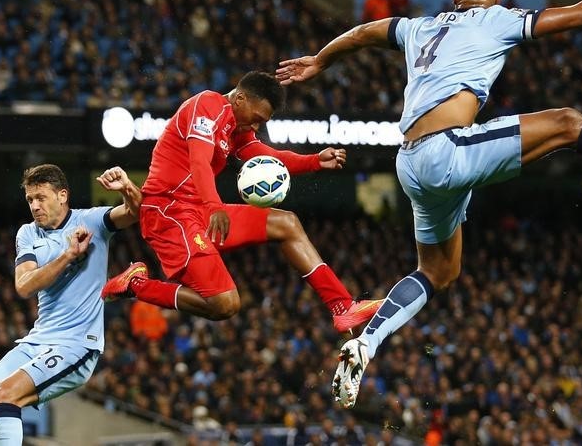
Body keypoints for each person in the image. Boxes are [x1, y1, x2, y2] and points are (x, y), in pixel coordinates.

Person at [276, 0, 582, 408]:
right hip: (447, 150)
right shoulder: (496, 20)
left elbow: (361, 34)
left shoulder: (416, 27)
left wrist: (319, 60)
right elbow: (581, 13)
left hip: (410, 164)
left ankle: (367, 344)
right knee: (567, 123)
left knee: (438, 272)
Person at [101, 71, 381, 332]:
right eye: (257, 117)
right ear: (240, 98)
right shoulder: (207, 104)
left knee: (287, 223)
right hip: (169, 212)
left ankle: (342, 306)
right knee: (225, 305)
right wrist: (214, 207)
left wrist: (313, 161)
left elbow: (266, 154)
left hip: (198, 211)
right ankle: (136, 285)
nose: (257, 125)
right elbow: (199, 161)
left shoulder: (236, 127)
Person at [0, 164, 141, 445]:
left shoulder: (92, 222)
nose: (35, 206)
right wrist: (68, 256)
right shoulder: (28, 234)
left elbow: (135, 213)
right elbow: (24, 286)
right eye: (30, 200)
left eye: (41, 197)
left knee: (6, 395)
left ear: (62, 195)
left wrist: (127, 188)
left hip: (77, 345)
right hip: (38, 340)